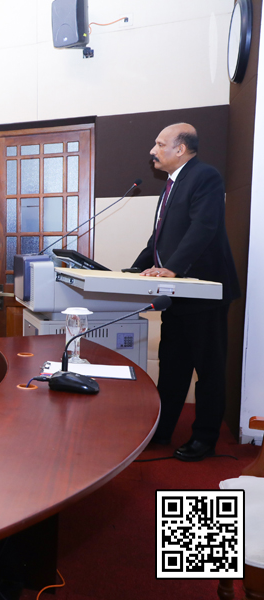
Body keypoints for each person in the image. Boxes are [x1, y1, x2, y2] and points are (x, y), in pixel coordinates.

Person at [132, 123, 241, 462]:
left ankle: (205, 438)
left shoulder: (204, 177)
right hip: (177, 295)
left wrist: (173, 268)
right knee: (173, 365)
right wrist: (133, 270)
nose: (153, 150)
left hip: (204, 291)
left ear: (180, 149)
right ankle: (162, 430)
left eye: (160, 143)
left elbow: (204, 227)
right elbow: (159, 239)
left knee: (208, 369)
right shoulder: (170, 186)